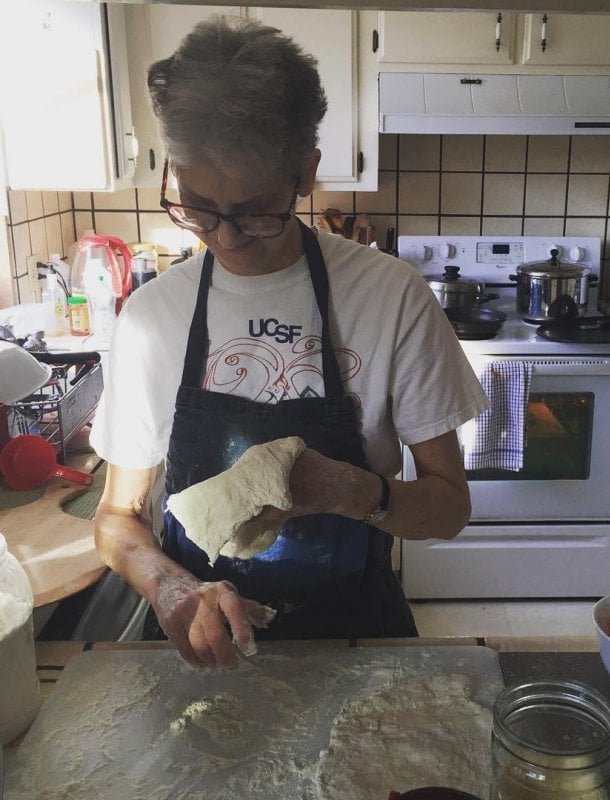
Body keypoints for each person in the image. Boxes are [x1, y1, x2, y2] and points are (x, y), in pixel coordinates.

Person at [90, 15, 488, 670]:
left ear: (306, 173)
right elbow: (116, 517)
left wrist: (349, 492)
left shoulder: (388, 297)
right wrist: (169, 585)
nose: (224, 236)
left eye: (254, 211)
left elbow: (448, 508)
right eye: (197, 204)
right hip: (204, 649)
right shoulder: (152, 317)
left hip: (357, 642)